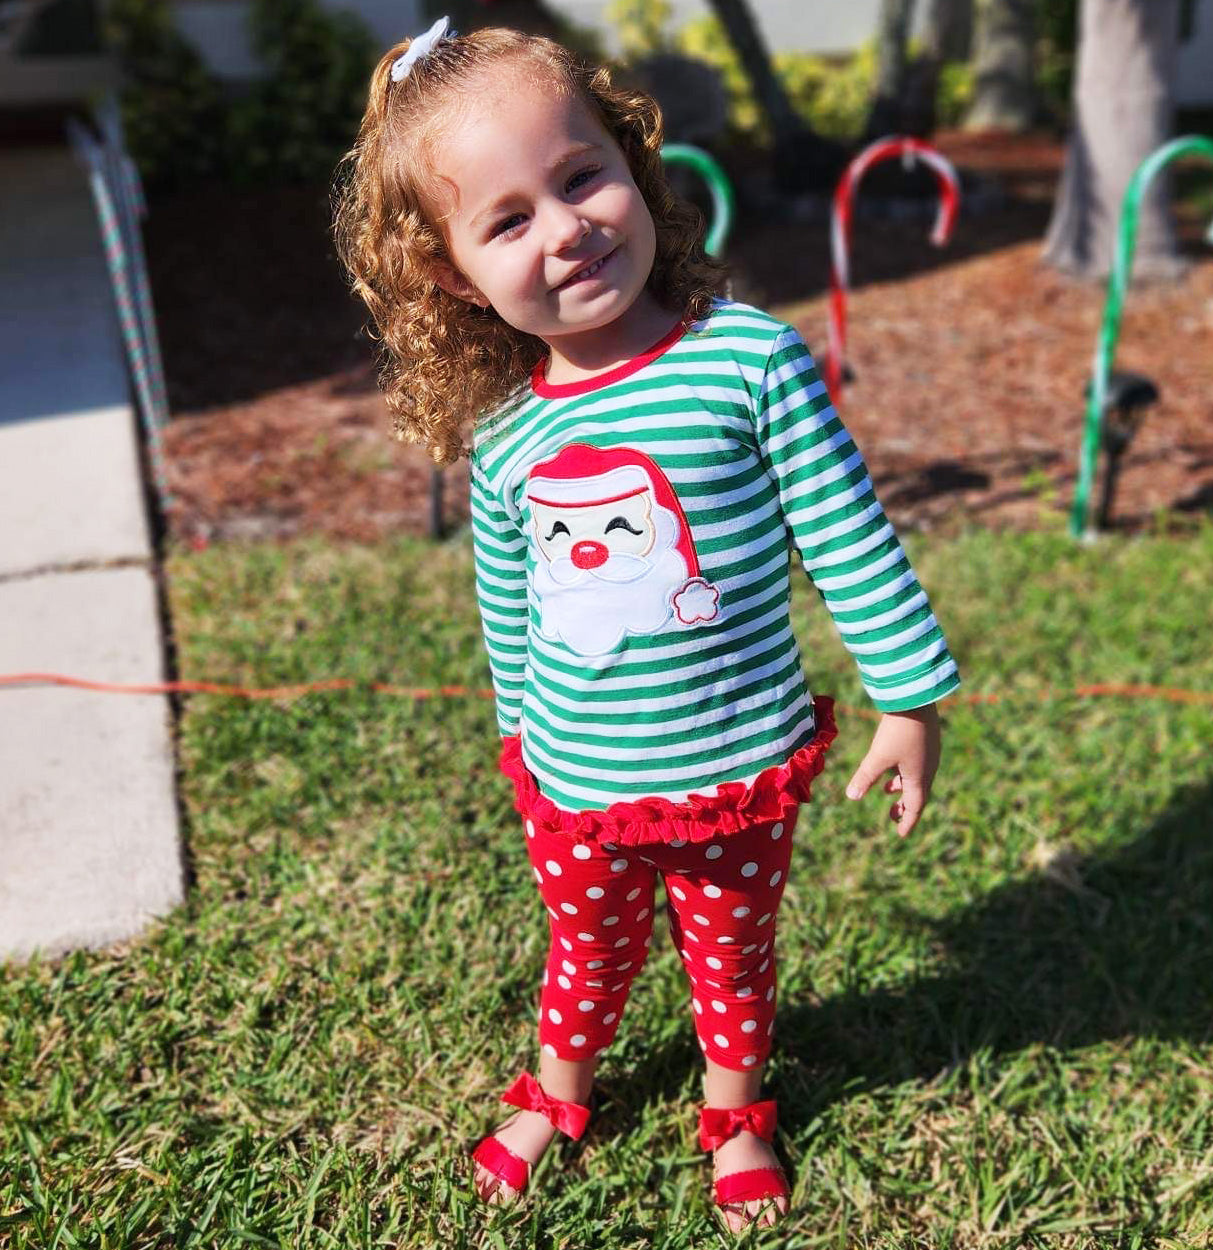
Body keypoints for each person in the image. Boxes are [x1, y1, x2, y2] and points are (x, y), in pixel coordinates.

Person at [333, 17, 960, 1234]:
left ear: (632, 164)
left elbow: (846, 537)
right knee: (585, 954)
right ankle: (557, 1093)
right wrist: (522, 744)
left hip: (731, 771)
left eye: (579, 177)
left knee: (730, 959)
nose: (564, 228)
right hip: (576, 786)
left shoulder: (748, 362)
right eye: (507, 219)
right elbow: (507, 607)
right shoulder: (508, 433)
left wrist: (908, 694)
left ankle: (734, 1110)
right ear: (457, 274)